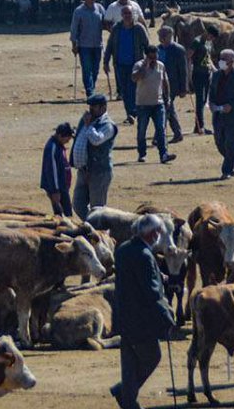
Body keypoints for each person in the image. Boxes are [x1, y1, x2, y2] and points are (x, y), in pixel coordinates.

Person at [111, 214, 175, 409]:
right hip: (141, 320)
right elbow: (151, 292)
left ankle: (128, 400)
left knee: (129, 362)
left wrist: (157, 275)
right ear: (152, 233)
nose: (159, 236)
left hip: (123, 315)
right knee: (152, 356)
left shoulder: (123, 250)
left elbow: (132, 278)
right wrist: (166, 316)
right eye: (158, 232)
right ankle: (124, 392)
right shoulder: (145, 255)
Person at [71, 93, 118, 218]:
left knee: (97, 208)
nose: (90, 109)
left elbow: (96, 140)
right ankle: (92, 224)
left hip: (99, 172)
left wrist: (88, 125)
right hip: (83, 170)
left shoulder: (107, 125)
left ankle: (98, 230)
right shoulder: (86, 120)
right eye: (90, 106)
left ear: (103, 108)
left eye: (94, 107)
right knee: (77, 204)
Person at [103, 6, 151, 124]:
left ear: (133, 14)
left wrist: (150, 61)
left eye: (129, 13)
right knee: (124, 90)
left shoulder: (139, 28)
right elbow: (109, 46)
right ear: (122, 15)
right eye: (125, 13)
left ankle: (133, 112)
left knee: (133, 89)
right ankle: (130, 113)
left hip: (135, 65)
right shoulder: (116, 28)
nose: (127, 16)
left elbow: (147, 45)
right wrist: (106, 62)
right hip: (119, 64)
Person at [130, 45, 176, 165]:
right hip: (143, 104)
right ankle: (142, 153)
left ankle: (163, 154)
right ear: (147, 55)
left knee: (161, 129)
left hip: (158, 103)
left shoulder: (161, 66)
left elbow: (165, 82)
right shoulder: (139, 65)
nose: (154, 59)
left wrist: (168, 98)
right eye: (152, 56)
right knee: (142, 130)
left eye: (156, 56)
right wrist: (145, 66)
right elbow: (134, 78)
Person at [209, 49, 234, 180]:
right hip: (218, 114)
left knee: (232, 143)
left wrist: (232, 105)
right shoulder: (216, 75)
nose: (221, 61)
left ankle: (226, 170)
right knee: (219, 142)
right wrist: (211, 103)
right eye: (221, 58)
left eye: (224, 59)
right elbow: (212, 91)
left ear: (232, 62)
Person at [70, 0, 105, 97]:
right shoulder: (79, 11)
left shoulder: (99, 8)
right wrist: (74, 44)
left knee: (95, 69)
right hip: (84, 45)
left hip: (97, 45)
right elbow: (74, 28)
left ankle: (92, 87)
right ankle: (89, 91)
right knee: (87, 69)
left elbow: (106, 22)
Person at [156, 25, 188, 144]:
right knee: (169, 109)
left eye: (164, 35)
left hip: (173, 85)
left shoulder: (178, 50)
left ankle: (159, 136)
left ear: (170, 36)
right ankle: (177, 133)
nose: (162, 38)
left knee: (165, 109)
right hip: (159, 84)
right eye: (160, 35)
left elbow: (183, 70)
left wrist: (184, 88)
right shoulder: (157, 49)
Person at [40, 122, 74, 217]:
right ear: (60, 136)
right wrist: (55, 191)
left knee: (65, 213)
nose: (68, 141)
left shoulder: (58, 146)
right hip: (57, 188)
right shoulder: (53, 147)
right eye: (67, 138)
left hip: (61, 186)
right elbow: (52, 171)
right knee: (64, 214)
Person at [188, 24, 216, 135]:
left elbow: (208, 58)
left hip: (207, 73)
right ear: (207, 33)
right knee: (200, 100)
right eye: (211, 36)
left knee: (204, 100)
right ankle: (201, 126)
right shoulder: (197, 42)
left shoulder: (209, 43)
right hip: (198, 74)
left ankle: (198, 125)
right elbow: (189, 57)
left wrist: (215, 70)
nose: (212, 39)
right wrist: (188, 76)